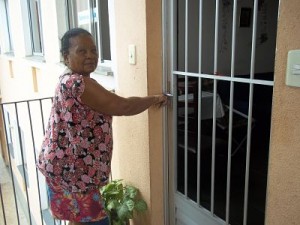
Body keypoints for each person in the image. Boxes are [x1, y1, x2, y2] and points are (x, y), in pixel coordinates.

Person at [36, 27, 167, 225]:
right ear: (66, 56)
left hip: (62, 168)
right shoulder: (78, 84)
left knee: (77, 219)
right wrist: (155, 99)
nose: (90, 55)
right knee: (96, 221)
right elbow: (123, 106)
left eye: (94, 50)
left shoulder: (66, 79)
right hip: (75, 174)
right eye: (82, 51)